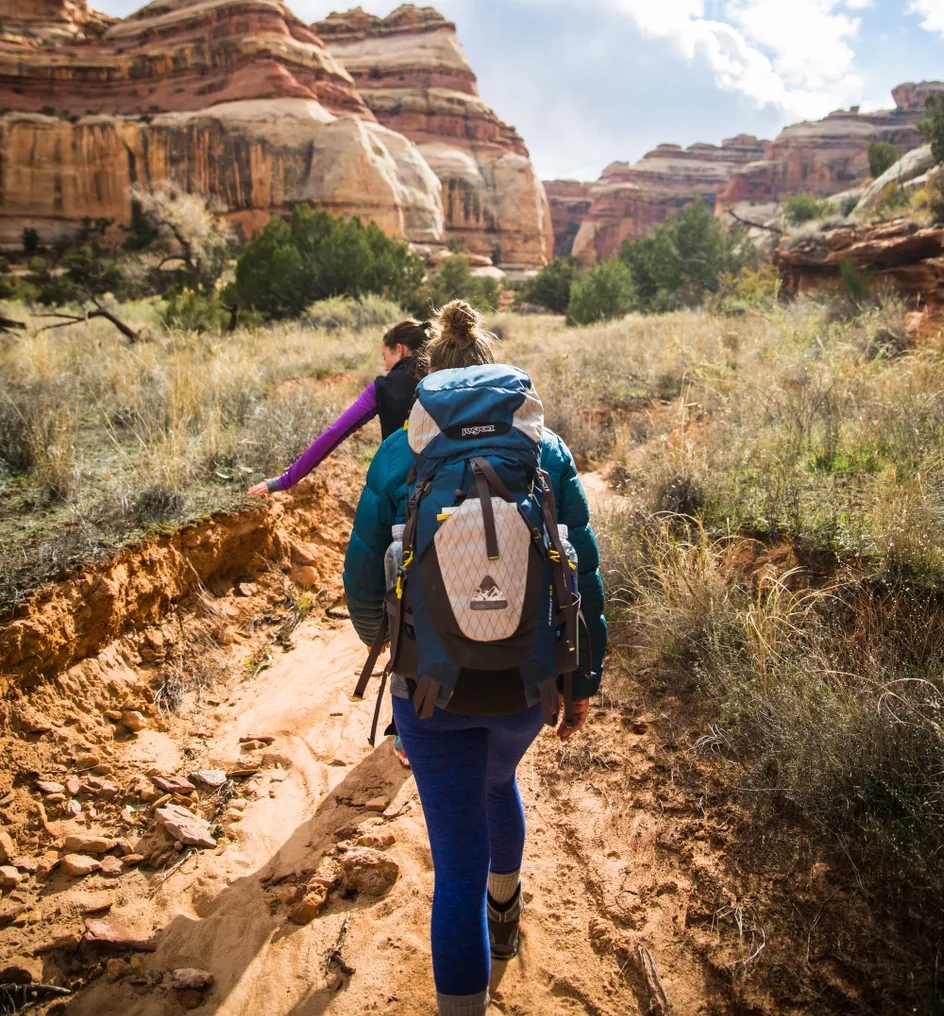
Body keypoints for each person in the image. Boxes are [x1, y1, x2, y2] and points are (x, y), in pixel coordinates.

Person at [343, 300, 607, 1016]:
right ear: (490, 369)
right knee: (499, 783)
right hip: (527, 684)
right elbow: (584, 569)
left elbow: (361, 575)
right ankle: (508, 912)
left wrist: (387, 644)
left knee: (453, 864)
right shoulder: (543, 447)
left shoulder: (401, 449)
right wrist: (580, 679)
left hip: (428, 693)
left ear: (431, 379)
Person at [246, 318, 432, 498]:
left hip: (404, 489)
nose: (385, 368)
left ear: (399, 349)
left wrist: (286, 480)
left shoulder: (383, 387)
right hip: (448, 484)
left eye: (385, 357)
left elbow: (335, 432)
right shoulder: (445, 380)